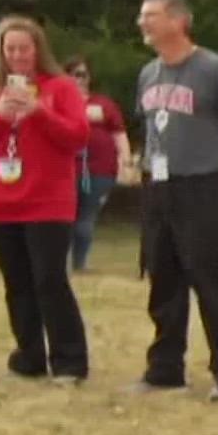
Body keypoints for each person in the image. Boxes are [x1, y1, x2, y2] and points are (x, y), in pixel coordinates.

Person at [131, 0, 218, 403]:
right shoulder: (149, 73)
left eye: (151, 16)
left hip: (203, 185)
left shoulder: (213, 69)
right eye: (142, 16)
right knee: (163, 279)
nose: (143, 23)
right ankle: (165, 369)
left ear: (178, 21)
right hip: (159, 187)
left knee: (213, 281)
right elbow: (152, 130)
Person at [0, 16, 92, 384]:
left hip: (47, 201)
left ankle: (69, 360)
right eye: (10, 48)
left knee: (50, 280)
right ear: (1, 51)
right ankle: (29, 354)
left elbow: (78, 136)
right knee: (16, 282)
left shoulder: (61, 87)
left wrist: (40, 112)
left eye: (24, 47)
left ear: (38, 49)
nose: (18, 55)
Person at [65, 56, 130, 273]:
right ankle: (59, 263)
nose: (78, 80)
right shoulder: (56, 102)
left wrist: (125, 161)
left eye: (83, 75)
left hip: (100, 170)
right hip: (65, 170)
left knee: (86, 217)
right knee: (63, 218)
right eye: (73, 74)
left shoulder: (104, 104)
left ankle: (80, 264)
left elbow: (119, 133)